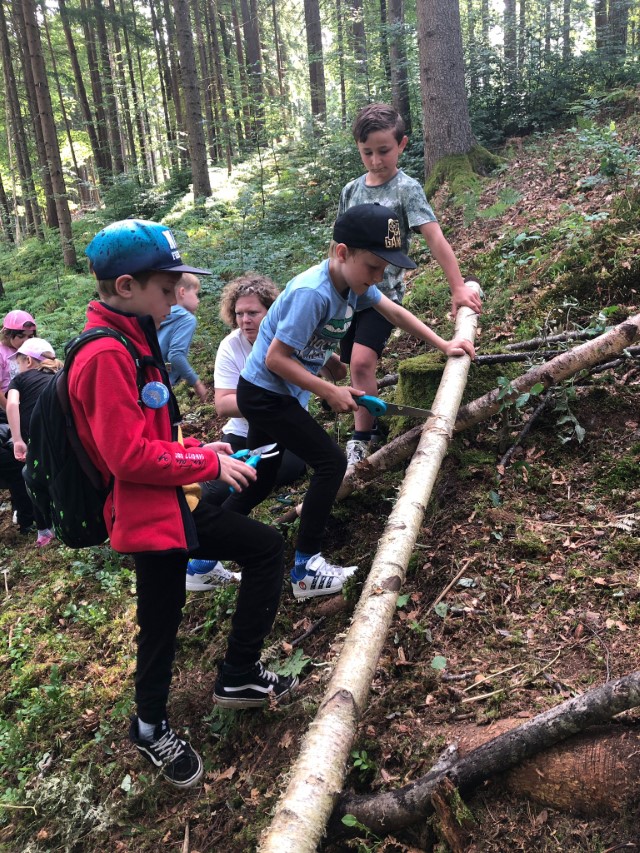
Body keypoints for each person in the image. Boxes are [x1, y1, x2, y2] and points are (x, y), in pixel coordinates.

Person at [71, 219, 297, 789]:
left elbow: (146, 436)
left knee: (252, 557)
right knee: (164, 618)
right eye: (167, 288)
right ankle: (152, 726)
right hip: (146, 514)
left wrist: (197, 448)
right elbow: (126, 457)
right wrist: (207, 466)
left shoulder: (131, 340)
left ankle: (238, 674)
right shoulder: (106, 355)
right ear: (127, 287)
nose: (175, 299)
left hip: (168, 504)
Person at [223, 203, 475, 600]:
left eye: (383, 270)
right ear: (343, 253)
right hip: (265, 395)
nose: (377, 278)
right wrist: (329, 390)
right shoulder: (313, 293)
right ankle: (306, 569)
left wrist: (444, 344)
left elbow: (394, 312)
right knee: (330, 462)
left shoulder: (352, 286)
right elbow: (275, 358)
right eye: (373, 267)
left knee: (262, 476)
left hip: (275, 393)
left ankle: (200, 557)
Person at [338, 103, 483, 470]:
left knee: (362, 362)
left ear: (401, 145)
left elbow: (434, 238)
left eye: (384, 150)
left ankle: (361, 439)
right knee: (348, 366)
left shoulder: (406, 189)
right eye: (367, 152)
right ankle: (368, 419)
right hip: (346, 296)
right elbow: (339, 244)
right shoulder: (351, 191)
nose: (375, 160)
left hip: (382, 298)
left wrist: (457, 288)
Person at [6, 338, 62, 546]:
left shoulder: (20, 379)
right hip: (61, 438)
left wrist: (17, 440)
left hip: (35, 439)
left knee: (31, 477)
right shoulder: (59, 375)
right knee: (58, 477)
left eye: (19, 362)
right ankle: (65, 521)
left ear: (28, 361)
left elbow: (12, 405)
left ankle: (44, 530)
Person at [157, 272, 208, 402]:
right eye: (196, 294)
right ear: (182, 292)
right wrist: (196, 382)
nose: (198, 300)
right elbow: (175, 355)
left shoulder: (157, 313)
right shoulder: (187, 319)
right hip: (162, 382)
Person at [1, 310, 38, 419]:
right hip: (6, 409)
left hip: (29, 405)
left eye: (30, 336)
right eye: (21, 336)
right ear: (7, 334)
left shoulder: (31, 350)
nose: (26, 341)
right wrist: (12, 412)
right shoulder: (1, 353)